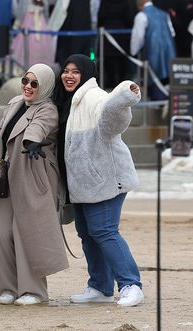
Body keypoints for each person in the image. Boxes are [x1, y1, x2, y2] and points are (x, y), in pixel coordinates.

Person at [52, 54, 144, 307]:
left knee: (104, 231)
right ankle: (100, 287)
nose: (69, 76)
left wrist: (125, 94)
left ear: (87, 74)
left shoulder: (94, 97)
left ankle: (130, 284)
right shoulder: (67, 100)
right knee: (88, 234)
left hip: (105, 179)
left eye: (75, 71)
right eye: (66, 70)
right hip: (80, 184)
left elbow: (113, 118)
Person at [0, 63, 69, 306]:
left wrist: (31, 141)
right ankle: (9, 288)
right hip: (4, 175)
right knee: (1, 231)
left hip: (32, 176)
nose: (27, 87)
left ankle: (34, 291)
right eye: (25, 81)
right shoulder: (15, 103)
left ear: (45, 86)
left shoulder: (48, 109)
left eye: (34, 83)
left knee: (26, 231)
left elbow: (38, 129)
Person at [130, 0, 176, 100]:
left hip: (152, 55)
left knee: (155, 85)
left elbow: (138, 38)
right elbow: (172, 33)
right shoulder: (164, 14)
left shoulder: (141, 16)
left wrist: (133, 52)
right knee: (168, 83)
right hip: (170, 53)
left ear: (139, 4)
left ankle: (157, 109)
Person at [10, 0, 56, 73]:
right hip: (29, 23)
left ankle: (40, 70)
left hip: (40, 23)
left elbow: (46, 13)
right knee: (26, 44)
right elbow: (21, 12)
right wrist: (17, 25)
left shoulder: (45, 2)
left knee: (39, 46)